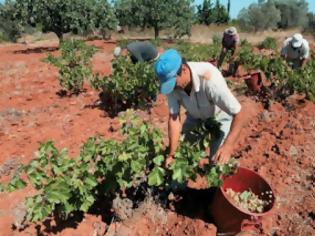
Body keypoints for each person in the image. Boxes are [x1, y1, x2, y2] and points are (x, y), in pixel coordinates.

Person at [155, 49, 245, 167]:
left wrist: (228, 146)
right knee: (181, 156)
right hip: (195, 117)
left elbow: (239, 113)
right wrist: (172, 154)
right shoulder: (172, 86)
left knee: (217, 162)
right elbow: (174, 118)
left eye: (173, 82)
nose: (172, 87)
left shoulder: (210, 81)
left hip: (219, 117)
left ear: (184, 69)